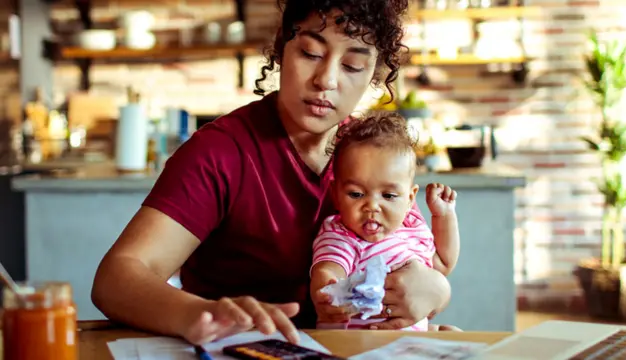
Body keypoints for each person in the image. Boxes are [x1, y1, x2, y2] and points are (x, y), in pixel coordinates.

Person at [91, 0, 455, 347]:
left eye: (352, 66)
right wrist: (201, 314)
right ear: (282, 48)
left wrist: (436, 290)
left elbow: (413, 255)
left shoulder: (376, 155)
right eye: (311, 53)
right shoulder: (220, 152)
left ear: (373, 76)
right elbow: (116, 279)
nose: (326, 80)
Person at [310, 112, 459, 331]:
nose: (372, 206)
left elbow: (443, 264)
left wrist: (443, 216)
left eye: (388, 196)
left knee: (452, 334)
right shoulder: (342, 235)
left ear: (410, 199)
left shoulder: (411, 228)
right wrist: (326, 288)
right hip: (363, 343)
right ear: (336, 195)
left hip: (411, 338)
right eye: (356, 194)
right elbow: (329, 268)